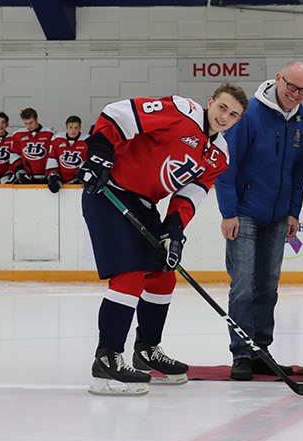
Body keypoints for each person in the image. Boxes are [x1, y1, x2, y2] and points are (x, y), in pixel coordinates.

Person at [80, 83, 247, 396]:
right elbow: (119, 115)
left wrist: (175, 227)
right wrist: (100, 154)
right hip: (109, 192)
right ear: (210, 102)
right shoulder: (180, 111)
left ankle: (146, 352)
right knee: (129, 274)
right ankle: (107, 359)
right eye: (222, 107)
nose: (225, 116)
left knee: (162, 274)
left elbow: (193, 191)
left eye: (234, 114)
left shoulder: (219, 153)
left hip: (144, 203)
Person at [214, 62, 303, 381]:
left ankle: (261, 351)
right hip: (244, 213)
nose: (295, 95)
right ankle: (241, 353)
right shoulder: (249, 114)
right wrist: (228, 212)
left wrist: (293, 211)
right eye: (291, 87)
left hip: (278, 217)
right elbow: (226, 165)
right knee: (243, 286)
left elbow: (299, 172)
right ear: (278, 80)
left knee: (268, 287)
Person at [7, 108, 57, 185]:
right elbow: (15, 154)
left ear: (36, 119)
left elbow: (55, 154)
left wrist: (52, 173)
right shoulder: (18, 134)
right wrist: (20, 170)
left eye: (31, 122)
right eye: (26, 123)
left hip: (45, 177)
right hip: (26, 177)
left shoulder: (50, 133)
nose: (29, 126)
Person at [47, 115, 89, 192]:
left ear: (80, 128)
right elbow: (52, 158)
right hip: (63, 184)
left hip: (79, 184)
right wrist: (52, 175)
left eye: (76, 128)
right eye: (70, 127)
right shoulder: (57, 139)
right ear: (66, 127)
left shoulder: (87, 141)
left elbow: (89, 161)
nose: (73, 130)